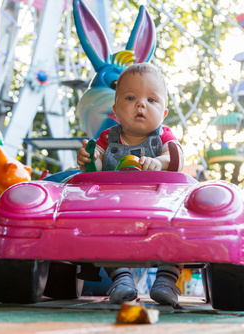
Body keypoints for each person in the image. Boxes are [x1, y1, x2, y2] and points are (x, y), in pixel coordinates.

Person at [76, 63, 184, 306]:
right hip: (113, 207)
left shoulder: (164, 136)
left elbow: (176, 157)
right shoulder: (107, 137)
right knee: (98, 228)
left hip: (159, 206)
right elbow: (96, 167)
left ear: (164, 112)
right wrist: (88, 159)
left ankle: (167, 279)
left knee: (178, 228)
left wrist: (160, 162)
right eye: (131, 97)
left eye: (151, 100)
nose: (141, 104)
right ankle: (120, 277)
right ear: (115, 110)